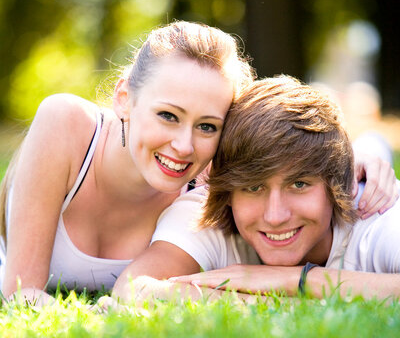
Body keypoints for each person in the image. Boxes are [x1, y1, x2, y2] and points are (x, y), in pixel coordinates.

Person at [0, 20, 255, 304]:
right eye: (168, 116)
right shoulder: (66, 124)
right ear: (123, 99)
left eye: (207, 126)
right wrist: (95, 330)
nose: (184, 146)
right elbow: (20, 292)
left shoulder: (207, 182)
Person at [108, 75, 400, 305]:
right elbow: (133, 287)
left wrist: (301, 281)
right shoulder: (204, 217)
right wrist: (291, 303)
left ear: (337, 186)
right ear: (227, 193)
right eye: (253, 187)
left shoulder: (376, 211)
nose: (275, 216)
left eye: (299, 184)